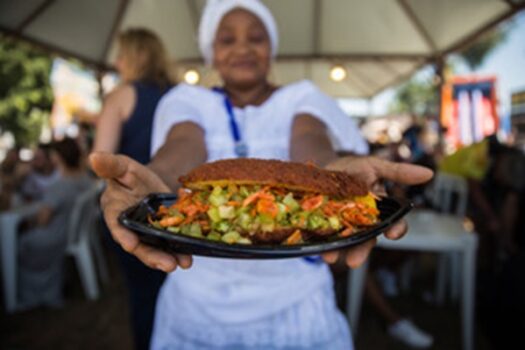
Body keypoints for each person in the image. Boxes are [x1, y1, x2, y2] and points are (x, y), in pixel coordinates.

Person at [90, 1, 433, 349]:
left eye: (256, 37)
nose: (242, 47)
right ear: (211, 52)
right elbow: (182, 145)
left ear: (272, 48)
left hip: (297, 306)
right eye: (227, 40)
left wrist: (330, 174)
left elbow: (309, 139)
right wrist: (156, 178)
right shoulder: (188, 100)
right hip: (197, 309)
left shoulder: (301, 97)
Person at [92, 27, 173, 350]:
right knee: (176, 290)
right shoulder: (179, 94)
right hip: (176, 208)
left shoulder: (122, 95)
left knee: (144, 296)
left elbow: (101, 157)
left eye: (121, 55)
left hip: (133, 208)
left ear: (134, 57)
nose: (116, 62)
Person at [18, 138, 93, 310]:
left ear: (58, 158)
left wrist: (30, 222)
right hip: (72, 233)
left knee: (22, 242)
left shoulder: (59, 186)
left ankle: (29, 296)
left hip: (56, 237)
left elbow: (43, 220)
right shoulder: (85, 179)